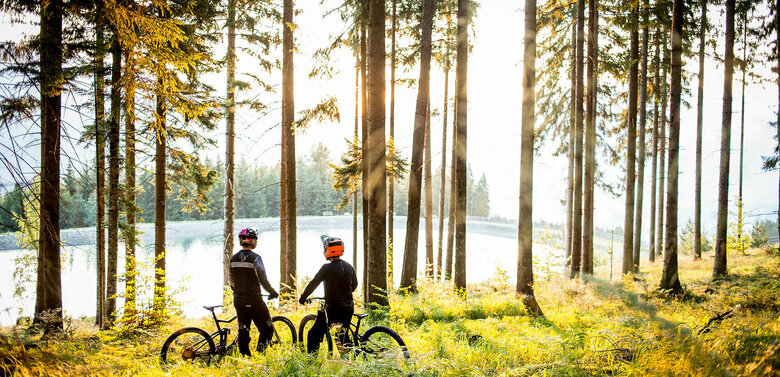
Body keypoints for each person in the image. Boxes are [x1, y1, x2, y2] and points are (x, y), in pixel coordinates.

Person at [299, 235, 358, 354]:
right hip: (348, 308)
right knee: (342, 336)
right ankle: (351, 359)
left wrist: (303, 298)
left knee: (313, 334)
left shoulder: (326, 268)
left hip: (332, 310)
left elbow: (313, 284)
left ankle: (312, 362)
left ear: (327, 250)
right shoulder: (349, 266)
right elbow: (354, 285)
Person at [229, 227, 279, 357]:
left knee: (243, 329)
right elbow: (263, 280)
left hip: (239, 300)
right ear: (253, 241)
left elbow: (231, 281)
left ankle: (245, 356)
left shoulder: (233, 258)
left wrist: (239, 292)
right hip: (254, 300)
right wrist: (272, 292)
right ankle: (260, 355)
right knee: (267, 329)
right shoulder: (256, 258)